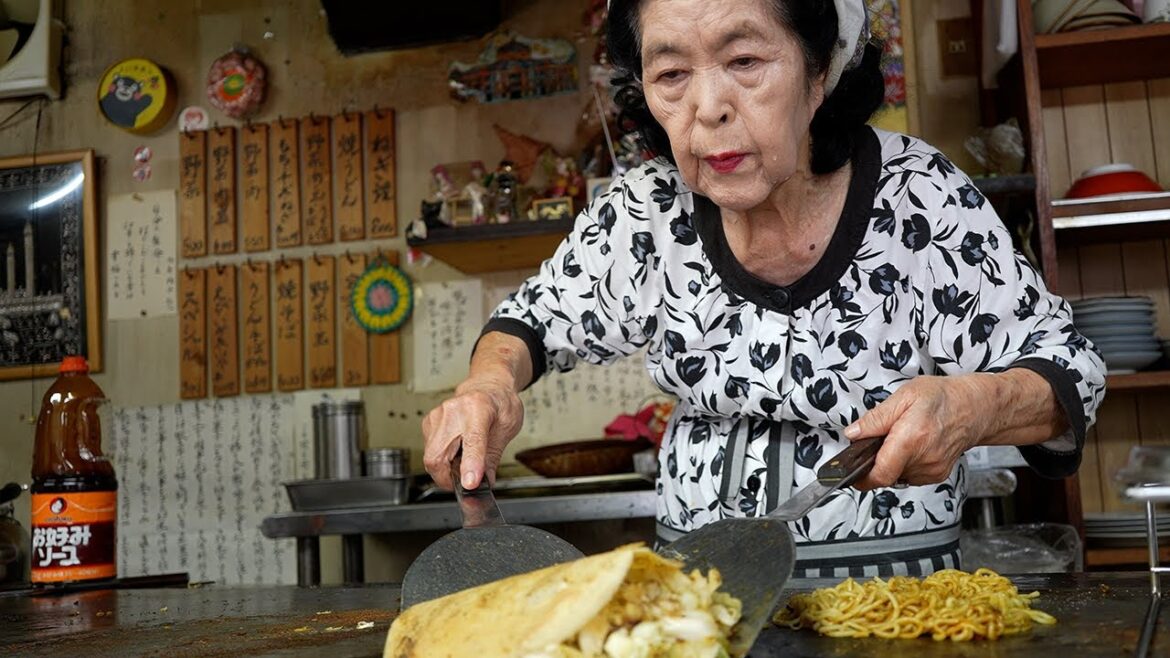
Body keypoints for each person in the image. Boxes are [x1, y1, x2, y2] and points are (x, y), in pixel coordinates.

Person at [422, 0, 1107, 576]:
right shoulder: (647, 212)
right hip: (700, 610)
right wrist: (486, 387)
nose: (708, 107)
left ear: (819, 71)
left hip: (903, 613)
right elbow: (531, 324)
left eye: (745, 62)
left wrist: (972, 405)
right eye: (670, 74)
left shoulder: (916, 193)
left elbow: (1070, 372)